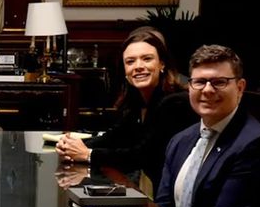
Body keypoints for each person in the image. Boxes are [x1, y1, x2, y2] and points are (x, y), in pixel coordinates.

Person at [56, 27, 197, 189]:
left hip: (178, 193)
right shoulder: (138, 100)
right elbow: (115, 137)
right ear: (125, 70)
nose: (138, 66)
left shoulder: (175, 103)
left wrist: (87, 154)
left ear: (162, 64)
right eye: (130, 61)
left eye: (147, 59)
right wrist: (72, 145)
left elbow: (143, 155)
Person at [156, 45, 260, 207]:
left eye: (219, 82)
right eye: (199, 82)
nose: (207, 90)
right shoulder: (180, 140)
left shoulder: (255, 143)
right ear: (189, 86)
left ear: (240, 88)